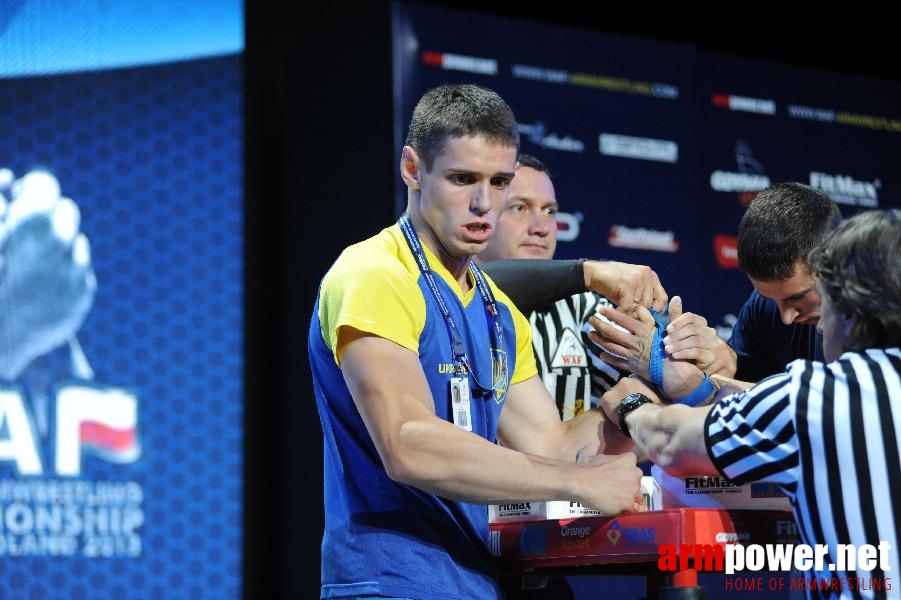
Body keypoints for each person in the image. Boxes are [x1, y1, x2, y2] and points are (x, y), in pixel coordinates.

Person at [308, 83, 645, 600]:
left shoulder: (497, 308)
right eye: (463, 179)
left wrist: (635, 400)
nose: (485, 203)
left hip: (476, 581)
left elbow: (551, 444)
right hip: (390, 582)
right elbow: (408, 444)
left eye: (499, 181)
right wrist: (576, 483)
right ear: (413, 169)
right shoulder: (373, 275)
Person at [599, 209, 901, 594]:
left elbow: (670, 441)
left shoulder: (810, 398)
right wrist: (701, 386)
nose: (814, 323)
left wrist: (633, 406)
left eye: (822, 302)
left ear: (849, 311)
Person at [479, 154, 720, 420]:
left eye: (550, 211)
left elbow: (661, 387)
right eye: (519, 207)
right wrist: (588, 271)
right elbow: (485, 282)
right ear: (484, 213)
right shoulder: (451, 292)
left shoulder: (586, 309)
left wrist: (683, 351)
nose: (541, 227)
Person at [719, 182, 843, 381]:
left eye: (797, 298)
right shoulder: (764, 304)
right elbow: (734, 389)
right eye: (771, 299)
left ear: (838, 263)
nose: (786, 317)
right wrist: (712, 369)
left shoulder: (886, 322)